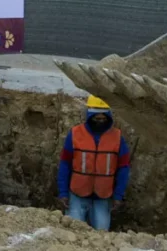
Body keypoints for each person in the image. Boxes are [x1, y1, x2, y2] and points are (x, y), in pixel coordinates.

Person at [56, 95, 131, 231]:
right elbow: (65, 164)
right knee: (73, 231)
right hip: (77, 194)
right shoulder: (75, 134)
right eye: (97, 119)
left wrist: (118, 196)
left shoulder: (118, 138)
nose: (100, 121)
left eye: (103, 119)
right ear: (89, 116)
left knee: (101, 233)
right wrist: (63, 193)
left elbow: (123, 168)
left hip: (103, 197)